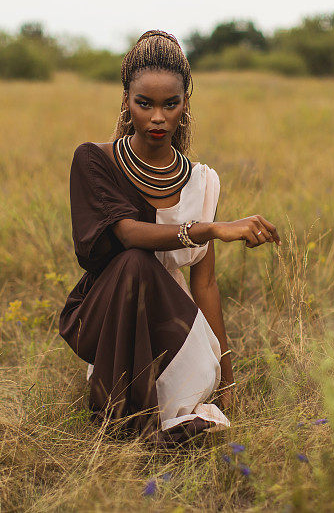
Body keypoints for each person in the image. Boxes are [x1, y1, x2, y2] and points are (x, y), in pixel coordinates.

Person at [58, 30, 281, 445]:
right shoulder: (95, 160)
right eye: (144, 103)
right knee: (135, 262)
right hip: (110, 318)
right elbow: (127, 234)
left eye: (169, 104)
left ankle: (167, 407)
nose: (157, 117)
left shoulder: (202, 182)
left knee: (193, 401)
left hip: (175, 326)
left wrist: (227, 378)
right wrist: (211, 228)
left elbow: (206, 283)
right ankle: (127, 415)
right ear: (126, 101)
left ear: (185, 105)